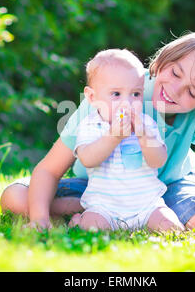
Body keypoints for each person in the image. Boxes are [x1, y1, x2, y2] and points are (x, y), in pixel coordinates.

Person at [0, 29, 195, 242]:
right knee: (16, 197)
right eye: (176, 73)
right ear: (164, 61)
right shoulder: (115, 89)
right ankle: (105, 213)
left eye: (192, 92)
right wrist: (40, 219)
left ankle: (142, 215)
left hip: (170, 188)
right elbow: (49, 169)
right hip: (99, 188)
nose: (175, 90)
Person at [68, 49, 184, 232]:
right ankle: (77, 220)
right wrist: (113, 137)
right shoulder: (91, 126)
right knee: (91, 228)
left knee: (172, 228)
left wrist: (144, 136)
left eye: (135, 94)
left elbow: (158, 160)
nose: (127, 103)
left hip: (148, 205)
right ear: (92, 97)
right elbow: (87, 159)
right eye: (116, 94)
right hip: (104, 207)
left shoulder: (147, 124)